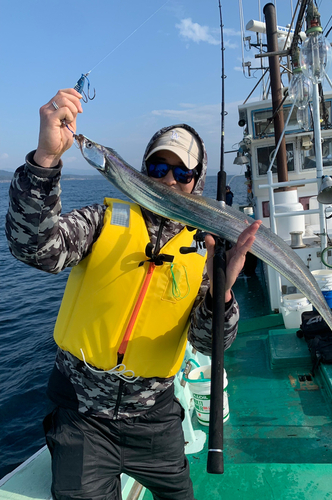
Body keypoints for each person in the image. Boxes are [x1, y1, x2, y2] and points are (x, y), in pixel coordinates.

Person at [5, 88, 261, 500]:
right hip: (83, 415)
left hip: (155, 418)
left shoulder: (206, 248)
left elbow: (207, 341)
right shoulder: (103, 219)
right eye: (158, 167)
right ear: (142, 171)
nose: (168, 180)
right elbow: (34, 247)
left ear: (196, 182)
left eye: (182, 173)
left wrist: (222, 292)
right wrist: (46, 159)